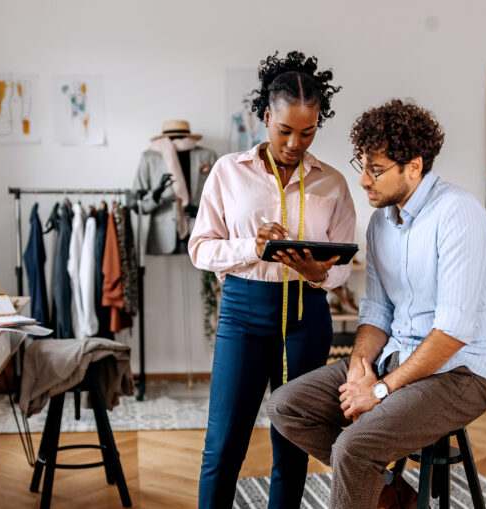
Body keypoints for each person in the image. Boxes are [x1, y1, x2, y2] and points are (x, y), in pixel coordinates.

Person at [266, 99, 486, 508]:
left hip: (461, 373)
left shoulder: (457, 213)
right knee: (285, 406)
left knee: (352, 448)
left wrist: (378, 390)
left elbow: (453, 331)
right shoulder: (381, 224)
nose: (363, 181)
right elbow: (376, 311)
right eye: (362, 166)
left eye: (375, 170)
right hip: (397, 357)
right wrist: (361, 370)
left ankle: (374, 483)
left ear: (414, 166)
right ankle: (392, 493)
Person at [188, 50, 356, 508]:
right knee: (223, 445)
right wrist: (252, 247)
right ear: (265, 117)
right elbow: (200, 248)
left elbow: (342, 267)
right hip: (242, 315)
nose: (295, 142)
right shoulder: (228, 172)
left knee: (292, 445)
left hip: (307, 318)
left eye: (308, 131)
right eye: (285, 130)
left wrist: (318, 273)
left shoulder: (334, 184)